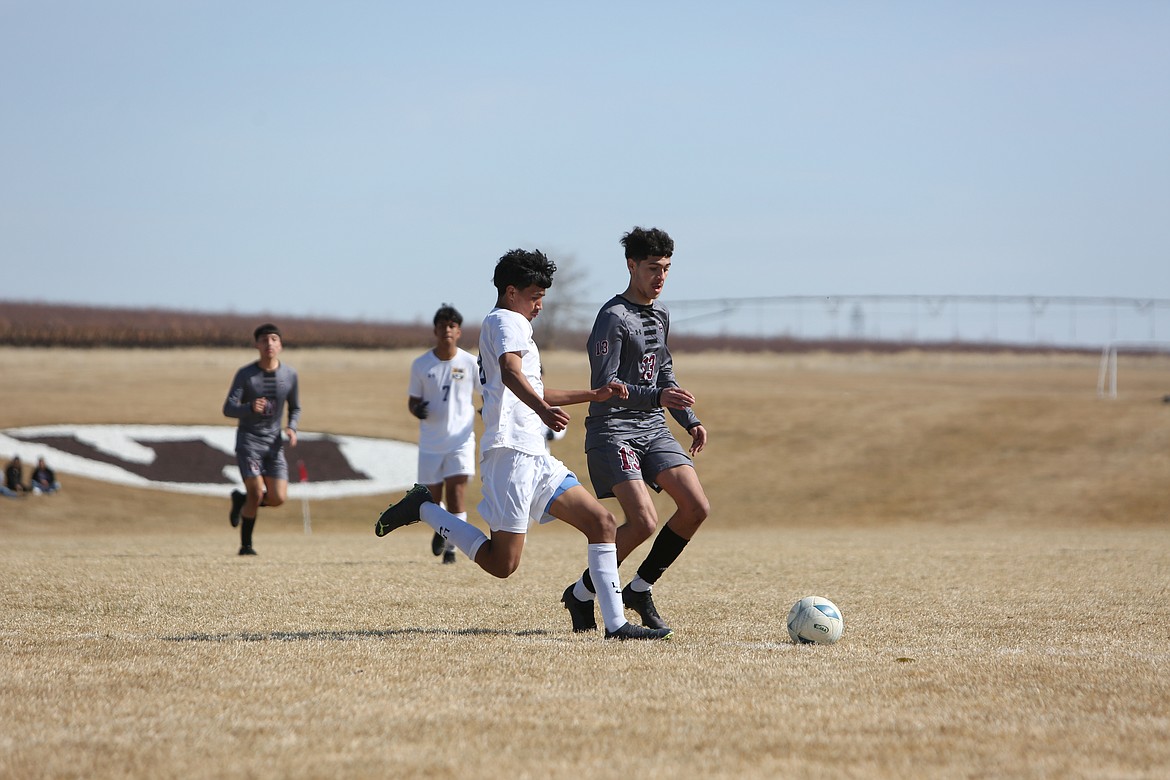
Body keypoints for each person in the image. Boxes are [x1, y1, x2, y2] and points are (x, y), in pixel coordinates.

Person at [375, 248, 672, 641]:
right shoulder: (504, 320)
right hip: (510, 454)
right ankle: (425, 508)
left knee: (601, 523)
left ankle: (616, 626)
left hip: (535, 455)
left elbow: (533, 384)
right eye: (535, 296)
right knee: (503, 564)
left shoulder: (512, 325)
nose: (540, 305)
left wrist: (593, 394)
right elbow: (513, 374)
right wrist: (545, 410)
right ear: (511, 291)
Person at [560, 226, 711, 633]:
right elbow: (607, 388)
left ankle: (639, 588)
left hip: (653, 427)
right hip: (613, 429)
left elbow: (664, 372)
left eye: (665, 269)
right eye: (652, 268)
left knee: (696, 507)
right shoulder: (612, 318)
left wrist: (689, 419)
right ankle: (581, 594)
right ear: (631, 266)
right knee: (642, 521)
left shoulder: (661, 315)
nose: (659, 277)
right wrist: (658, 398)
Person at [408, 304, 481, 565]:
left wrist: (488, 411)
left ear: (459, 331)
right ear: (435, 331)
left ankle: (451, 549)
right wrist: (418, 409)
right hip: (430, 443)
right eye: (442, 326)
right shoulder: (421, 364)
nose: (447, 331)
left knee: (457, 495)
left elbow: (486, 394)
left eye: (452, 326)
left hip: (460, 441)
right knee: (431, 501)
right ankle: (440, 531)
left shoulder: (470, 362)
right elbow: (412, 401)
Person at [222, 323, 301, 556]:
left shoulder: (290, 375)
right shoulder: (246, 374)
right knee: (257, 492)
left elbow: (295, 408)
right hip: (249, 442)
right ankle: (246, 546)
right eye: (264, 340)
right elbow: (228, 408)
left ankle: (241, 500)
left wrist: (292, 428)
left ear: (281, 345)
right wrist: (248, 407)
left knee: (278, 498)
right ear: (257, 344)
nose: (269, 344)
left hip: (274, 444)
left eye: (274, 339)